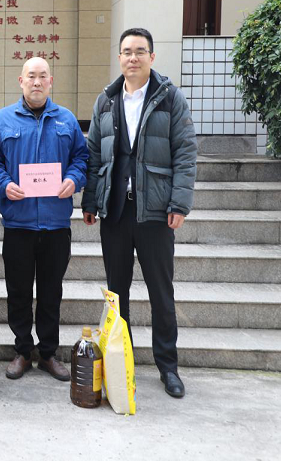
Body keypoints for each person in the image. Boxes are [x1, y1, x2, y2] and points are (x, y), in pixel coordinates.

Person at [82, 27, 197, 399]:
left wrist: (179, 203)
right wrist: (90, 200)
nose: (133, 58)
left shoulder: (170, 98)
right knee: (117, 294)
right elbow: (94, 155)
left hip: (156, 212)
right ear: (119, 58)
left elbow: (185, 153)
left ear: (152, 57)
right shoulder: (106, 100)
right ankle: (123, 361)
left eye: (140, 51)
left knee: (161, 292)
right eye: (127, 52)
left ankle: (168, 367)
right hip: (115, 212)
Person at [0, 56, 88, 381]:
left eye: (43, 76)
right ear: (21, 81)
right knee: (17, 291)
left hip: (56, 225)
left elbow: (82, 158)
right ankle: (22, 351)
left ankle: (47, 353)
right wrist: (4, 184)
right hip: (18, 223)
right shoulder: (3, 120)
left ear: (50, 81)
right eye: (31, 76)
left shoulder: (67, 120)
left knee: (50, 292)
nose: (37, 82)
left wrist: (74, 179)